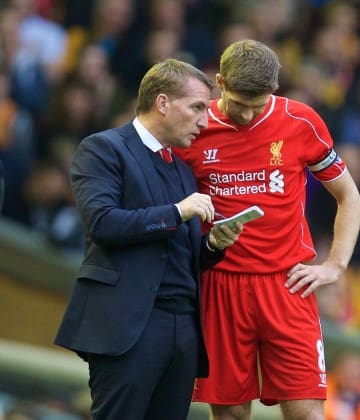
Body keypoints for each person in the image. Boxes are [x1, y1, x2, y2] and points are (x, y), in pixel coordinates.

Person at [175, 40, 360, 419]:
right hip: (220, 285)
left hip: (287, 283)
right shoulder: (194, 127)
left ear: (274, 91)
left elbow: (349, 197)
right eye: (237, 103)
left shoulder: (301, 122)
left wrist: (335, 266)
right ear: (220, 82)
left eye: (256, 106)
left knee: (308, 413)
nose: (245, 115)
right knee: (228, 415)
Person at [54, 59, 242, 420]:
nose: (205, 121)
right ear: (162, 103)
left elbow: (179, 254)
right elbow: (103, 223)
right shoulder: (103, 149)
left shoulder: (184, 171)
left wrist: (214, 245)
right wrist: (177, 212)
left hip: (184, 329)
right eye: (197, 107)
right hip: (130, 327)